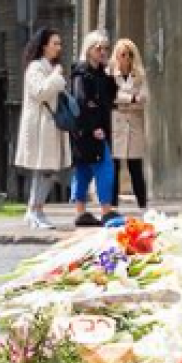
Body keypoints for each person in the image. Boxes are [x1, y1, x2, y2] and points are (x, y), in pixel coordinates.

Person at [14, 28, 70, 231]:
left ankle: (36, 209)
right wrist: (56, 77)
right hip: (40, 126)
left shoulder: (51, 67)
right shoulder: (35, 68)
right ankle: (34, 210)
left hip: (51, 126)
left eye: (60, 43)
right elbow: (40, 92)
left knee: (49, 170)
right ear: (44, 45)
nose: (58, 47)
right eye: (55, 43)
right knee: (42, 169)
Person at [70, 30, 121, 228]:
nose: (103, 52)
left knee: (83, 169)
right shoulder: (81, 74)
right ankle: (106, 210)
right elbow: (82, 103)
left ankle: (81, 212)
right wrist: (93, 128)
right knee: (104, 166)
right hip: (88, 131)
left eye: (105, 48)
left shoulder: (100, 73)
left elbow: (109, 98)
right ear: (89, 50)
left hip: (94, 129)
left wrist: (110, 74)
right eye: (98, 48)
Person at [109, 38, 150, 212]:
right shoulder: (109, 74)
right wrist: (131, 98)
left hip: (134, 122)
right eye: (123, 54)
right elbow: (111, 96)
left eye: (130, 54)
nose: (126, 58)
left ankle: (143, 205)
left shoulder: (139, 75)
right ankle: (112, 206)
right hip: (116, 122)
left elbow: (144, 97)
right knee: (114, 167)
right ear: (117, 56)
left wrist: (126, 99)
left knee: (136, 166)